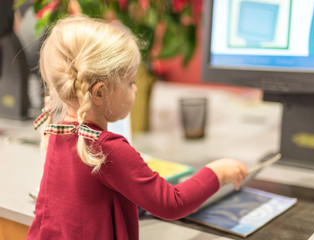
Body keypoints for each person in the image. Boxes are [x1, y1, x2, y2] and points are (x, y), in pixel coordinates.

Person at [27, 15, 248, 240]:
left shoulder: (59, 131)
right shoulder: (107, 148)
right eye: (130, 82)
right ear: (100, 92)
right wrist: (218, 173)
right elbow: (172, 203)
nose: (135, 89)